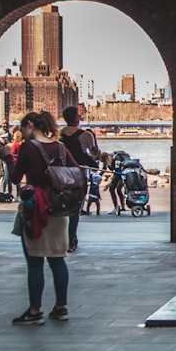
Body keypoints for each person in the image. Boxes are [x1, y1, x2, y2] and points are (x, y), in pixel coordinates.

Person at [11, 110, 77, 325]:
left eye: (23, 128)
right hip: (59, 209)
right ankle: (61, 307)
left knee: (35, 262)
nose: (22, 133)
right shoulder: (59, 146)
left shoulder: (28, 148)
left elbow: (14, 178)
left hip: (36, 208)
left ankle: (35, 310)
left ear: (30, 124)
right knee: (58, 260)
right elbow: (75, 171)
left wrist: (6, 156)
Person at [58, 106, 102, 251]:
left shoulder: (58, 136)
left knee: (62, 208)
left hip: (62, 175)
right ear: (77, 119)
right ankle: (71, 240)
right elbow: (95, 154)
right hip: (80, 175)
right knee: (75, 210)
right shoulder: (86, 135)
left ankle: (63, 239)